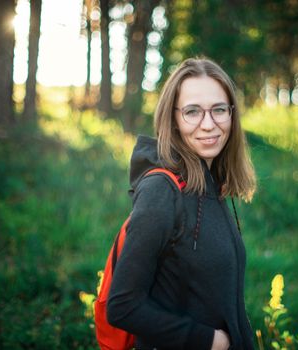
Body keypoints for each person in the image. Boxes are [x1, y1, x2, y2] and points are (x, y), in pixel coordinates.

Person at [107, 57, 257, 350]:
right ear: (173, 118)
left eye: (219, 110)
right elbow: (123, 305)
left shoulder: (210, 181)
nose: (209, 124)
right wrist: (212, 341)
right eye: (192, 112)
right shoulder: (161, 191)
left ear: (232, 114)